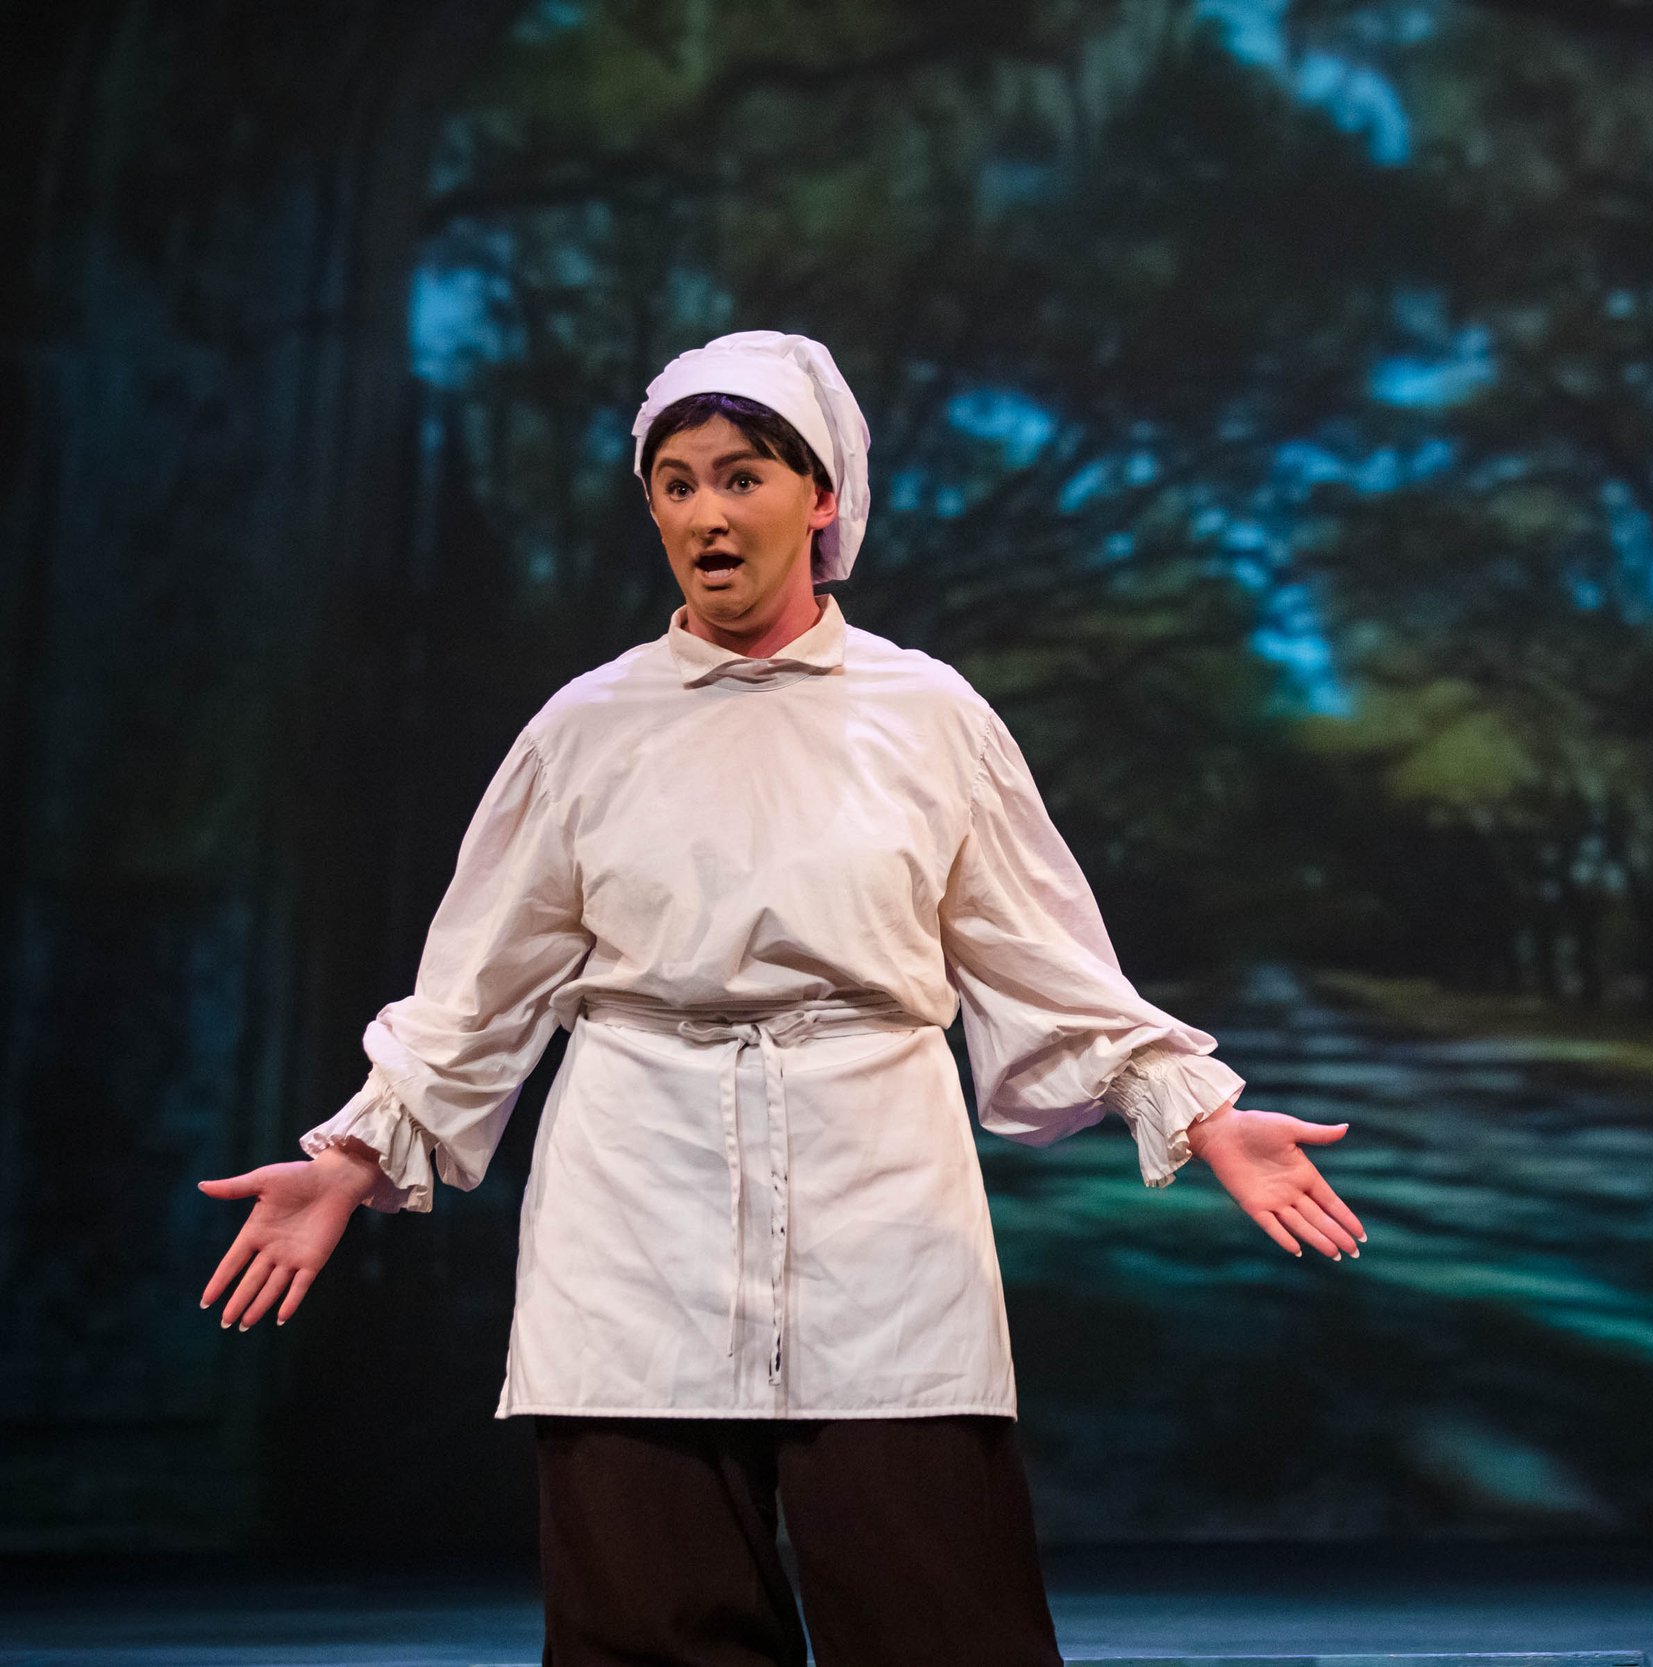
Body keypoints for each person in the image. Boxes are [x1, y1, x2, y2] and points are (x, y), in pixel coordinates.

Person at [194, 330, 1366, 1667]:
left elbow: (1040, 953)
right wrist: (351, 1155)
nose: (705, 513)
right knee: (649, 1625)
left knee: (940, 1620)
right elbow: (477, 986)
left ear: (822, 496)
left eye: (741, 476)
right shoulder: (585, 726)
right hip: (637, 1196)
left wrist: (1198, 1109)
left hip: (879, 1189)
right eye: (676, 484)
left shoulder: (925, 716)